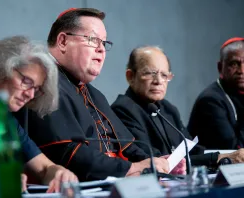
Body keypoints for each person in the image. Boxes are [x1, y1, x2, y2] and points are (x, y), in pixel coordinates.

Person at [20, 8, 186, 181]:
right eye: (93, 40)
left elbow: (127, 145)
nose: (101, 49)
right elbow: (68, 155)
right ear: (62, 41)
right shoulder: (43, 83)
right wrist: (131, 168)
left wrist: (154, 162)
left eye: (104, 43)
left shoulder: (94, 94)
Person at [111, 46, 244, 167]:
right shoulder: (123, 109)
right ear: (130, 77)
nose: (158, 81)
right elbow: (155, 159)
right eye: (150, 73)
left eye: (164, 75)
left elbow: (193, 150)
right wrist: (221, 158)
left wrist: (237, 154)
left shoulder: (167, 109)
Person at [0, 36, 77, 193]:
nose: (30, 94)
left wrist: (59, 173)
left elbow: (45, 168)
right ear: (2, 68)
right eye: (27, 82)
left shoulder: (10, 124)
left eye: (36, 88)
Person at [187, 37, 244, 150]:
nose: (242, 71)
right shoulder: (210, 101)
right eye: (234, 64)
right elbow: (235, 151)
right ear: (220, 68)